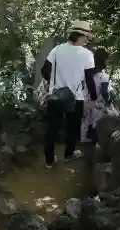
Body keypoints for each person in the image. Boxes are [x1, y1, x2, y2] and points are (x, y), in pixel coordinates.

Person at [41, 20, 98, 169]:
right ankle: (69, 154)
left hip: (55, 96)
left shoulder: (57, 49)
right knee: (73, 128)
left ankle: (48, 160)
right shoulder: (87, 55)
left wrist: (54, 84)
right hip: (76, 97)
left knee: (52, 128)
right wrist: (93, 98)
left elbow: (44, 71)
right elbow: (89, 79)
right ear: (82, 36)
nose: (87, 39)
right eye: (86, 36)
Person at [80, 48, 119, 144]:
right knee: (114, 114)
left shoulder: (86, 74)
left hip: (84, 101)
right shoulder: (103, 76)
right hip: (97, 103)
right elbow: (104, 92)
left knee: (85, 120)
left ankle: (83, 138)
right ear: (104, 61)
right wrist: (109, 101)